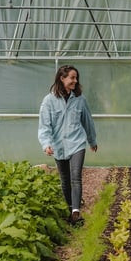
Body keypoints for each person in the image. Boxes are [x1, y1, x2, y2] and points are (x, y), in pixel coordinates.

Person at [38, 64, 98, 226]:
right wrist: (46, 144)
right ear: (62, 78)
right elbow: (44, 126)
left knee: (76, 177)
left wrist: (92, 140)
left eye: (76, 78)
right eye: (72, 77)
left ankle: (76, 213)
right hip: (58, 145)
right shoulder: (49, 101)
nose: (75, 81)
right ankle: (70, 207)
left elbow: (87, 121)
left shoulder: (80, 99)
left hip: (77, 143)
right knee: (65, 180)